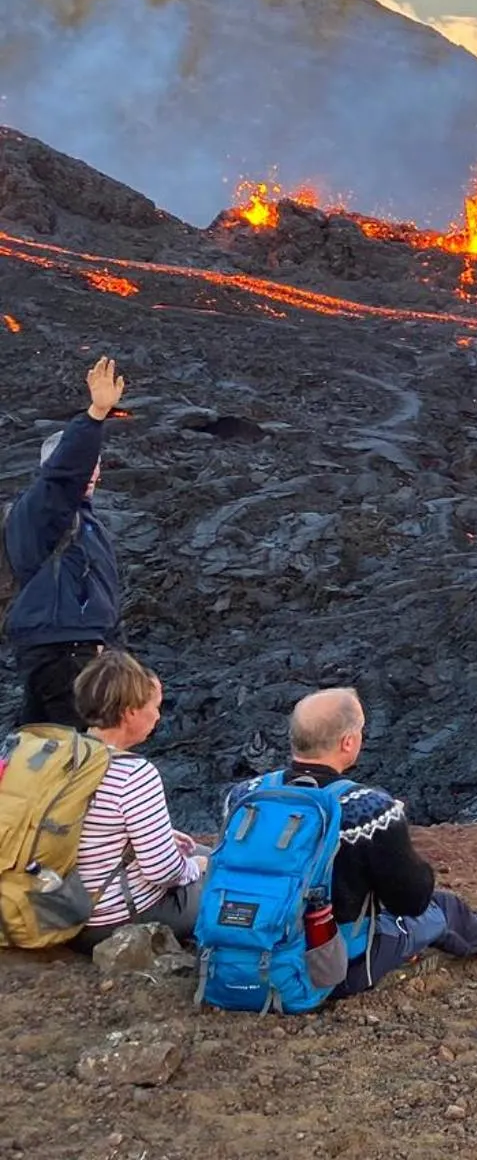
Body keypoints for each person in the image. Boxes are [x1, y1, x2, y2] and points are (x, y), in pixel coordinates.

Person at [223, 687, 477, 996]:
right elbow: (412, 901)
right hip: (330, 970)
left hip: (239, 955)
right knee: (443, 909)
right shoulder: (367, 809)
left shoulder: (242, 797)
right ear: (348, 742)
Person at [5, 357, 125, 730]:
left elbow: (102, 590)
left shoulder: (86, 524)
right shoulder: (44, 508)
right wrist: (95, 415)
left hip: (70, 648)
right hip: (65, 652)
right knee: (78, 754)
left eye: (95, 466)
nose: (88, 474)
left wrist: (115, 652)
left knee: (40, 747)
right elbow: (64, 473)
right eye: (82, 466)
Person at [70, 651, 209, 951]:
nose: (158, 716)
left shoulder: (60, 754)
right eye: (154, 707)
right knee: (222, 874)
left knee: (203, 851)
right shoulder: (133, 773)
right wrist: (194, 867)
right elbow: (162, 871)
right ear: (131, 712)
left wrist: (159, 836)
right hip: (108, 921)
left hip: (56, 905)